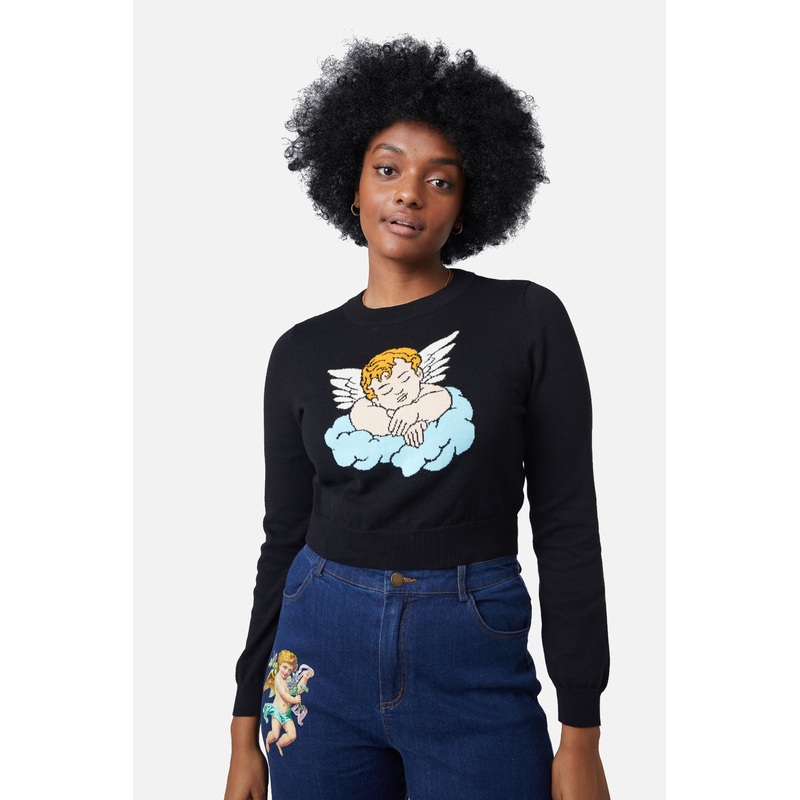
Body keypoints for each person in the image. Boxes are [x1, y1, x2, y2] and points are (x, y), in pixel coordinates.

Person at [223, 36, 610, 800]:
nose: (409, 194)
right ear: (351, 182)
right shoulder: (300, 352)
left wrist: (582, 731)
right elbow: (282, 539)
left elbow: (567, 525)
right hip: (317, 651)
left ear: (468, 204)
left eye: (440, 180)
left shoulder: (526, 320)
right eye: (388, 169)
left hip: (471, 652)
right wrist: (242, 727)